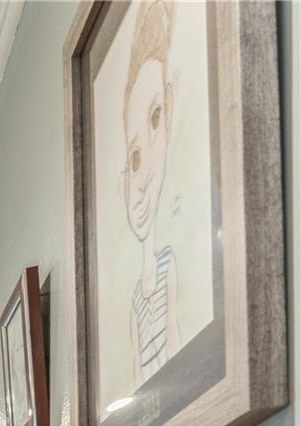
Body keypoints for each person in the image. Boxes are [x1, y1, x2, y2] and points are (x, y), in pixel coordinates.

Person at [120, 0, 181, 385]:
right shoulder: (132, 304)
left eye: (157, 117)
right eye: (134, 157)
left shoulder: (169, 267)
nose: (141, 183)